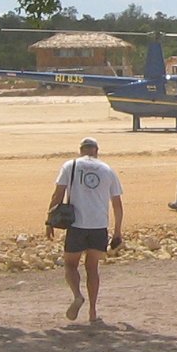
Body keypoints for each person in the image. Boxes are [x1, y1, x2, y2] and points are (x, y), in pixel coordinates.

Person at [47, 136, 123, 324]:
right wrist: (118, 232)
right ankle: (93, 311)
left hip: (77, 225)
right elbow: (117, 204)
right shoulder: (107, 170)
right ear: (96, 151)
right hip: (99, 226)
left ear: (81, 150)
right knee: (92, 268)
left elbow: (58, 194)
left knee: (71, 265)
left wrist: (49, 221)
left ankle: (77, 295)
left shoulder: (70, 166)